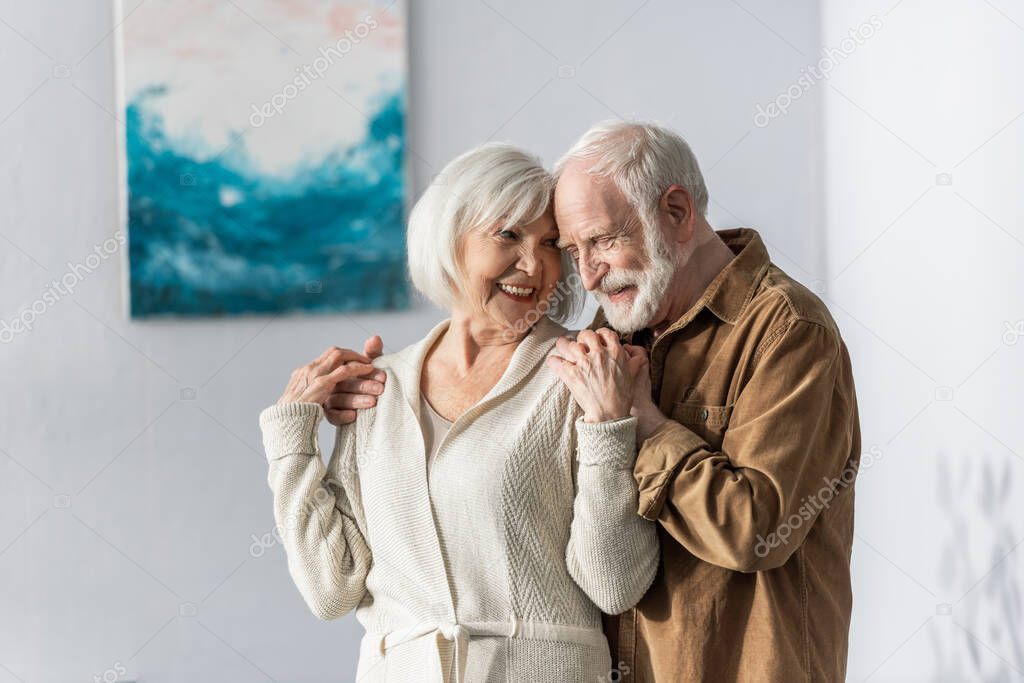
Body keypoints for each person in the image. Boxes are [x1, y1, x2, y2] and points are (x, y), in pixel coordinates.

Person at [336, 120, 862, 682]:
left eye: (603, 240)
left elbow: (757, 530)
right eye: (574, 249)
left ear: (678, 212)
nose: (584, 274)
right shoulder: (618, 330)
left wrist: (647, 424)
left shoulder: (787, 329)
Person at [258, 142, 659, 682]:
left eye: (550, 244)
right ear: (450, 238)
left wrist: (609, 429)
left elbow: (614, 584)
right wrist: (291, 440)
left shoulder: (582, 373)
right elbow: (332, 588)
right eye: (507, 234)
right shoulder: (379, 389)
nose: (533, 264)